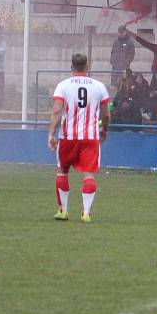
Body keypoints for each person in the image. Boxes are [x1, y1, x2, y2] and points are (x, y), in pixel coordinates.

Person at [47, 53, 110, 223]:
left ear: (71, 66)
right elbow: (106, 113)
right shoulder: (98, 86)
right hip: (90, 137)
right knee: (89, 174)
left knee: (62, 170)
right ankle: (86, 213)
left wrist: (51, 133)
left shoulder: (63, 86)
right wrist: (104, 129)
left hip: (68, 137)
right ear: (87, 66)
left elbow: (56, 111)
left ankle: (63, 211)